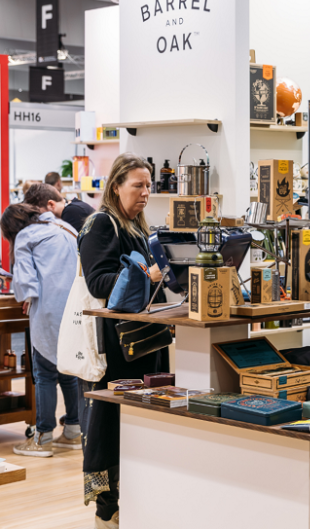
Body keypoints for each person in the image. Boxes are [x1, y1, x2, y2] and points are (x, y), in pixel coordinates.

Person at [78, 154, 166, 529]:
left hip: (143, 345)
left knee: (136, 429)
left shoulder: (137, 227)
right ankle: (107, 512)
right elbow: (98, 281)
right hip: (117, 350)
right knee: (110, 428)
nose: (146, 192)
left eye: (149, 185)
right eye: (138, 185)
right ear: (116, 186)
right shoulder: (102, 224)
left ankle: (134, 507)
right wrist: (148, 275)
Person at [0, 203, 82, 457]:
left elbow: (26, 283)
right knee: (68, 371)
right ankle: (73, 431)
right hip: (75, 307)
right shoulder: (64, 227)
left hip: (48, 310)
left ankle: (42, 437)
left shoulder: (26, 237)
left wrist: (23, 295)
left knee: (44, 373)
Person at [24, 182, 95, 234]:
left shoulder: (70, 213)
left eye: (39, 213)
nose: (39, 217)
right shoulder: (73, 207)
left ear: (51, 205)